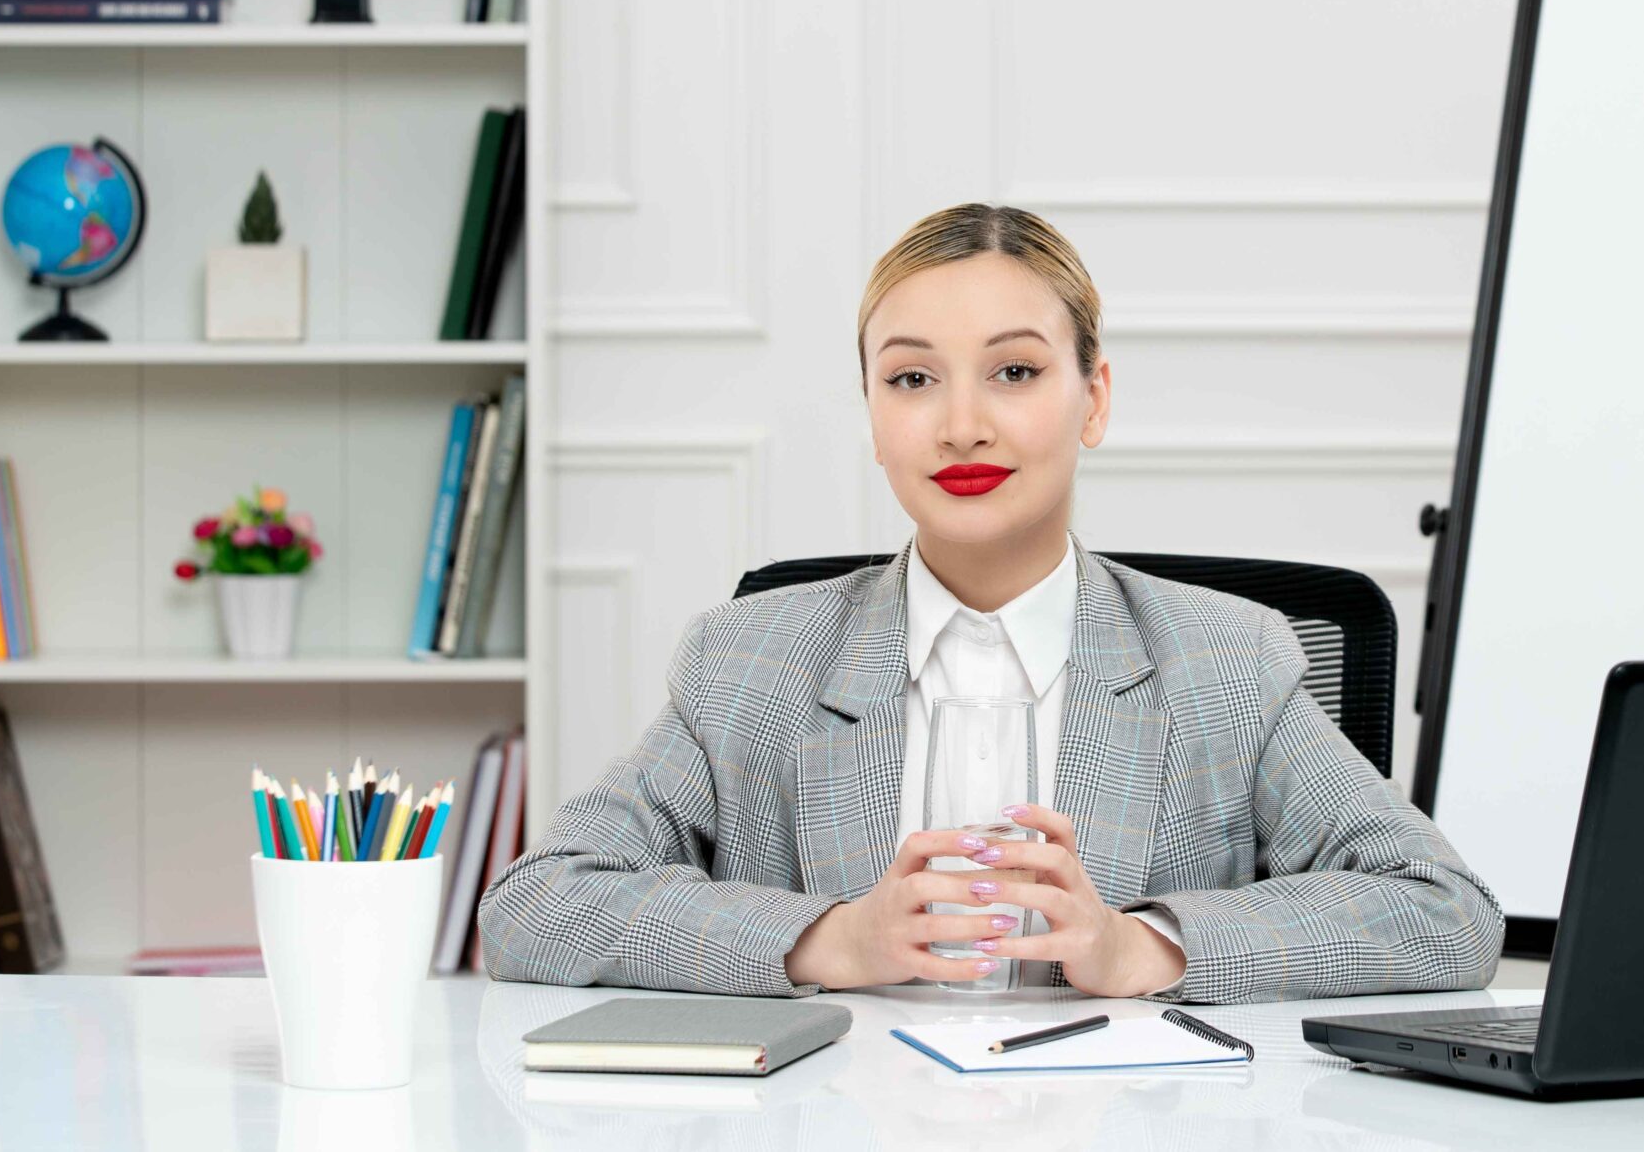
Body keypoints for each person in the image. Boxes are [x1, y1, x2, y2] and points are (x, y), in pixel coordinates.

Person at [476, 203, 1502, 1002]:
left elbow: (1443, 914)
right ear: (874, 418)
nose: (960, 425)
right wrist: (831, 938)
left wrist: (1141, 946)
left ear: (1093, 398)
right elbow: (537, 907)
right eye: (913, 379)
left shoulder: (1229, 661)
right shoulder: (747, 661)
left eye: (1013, 370)